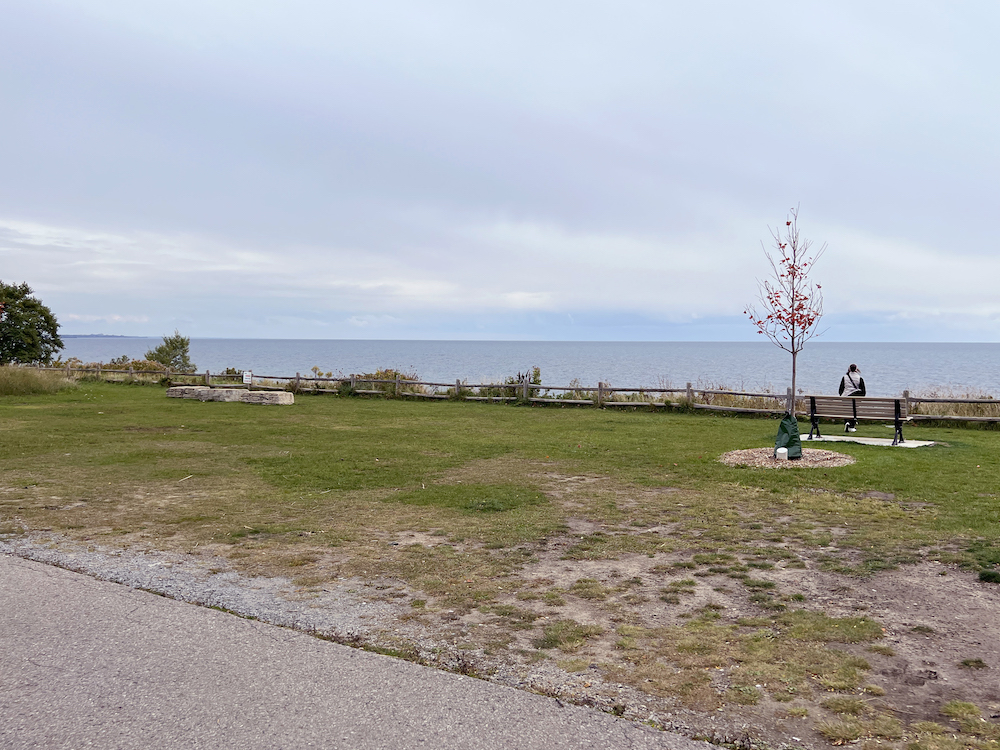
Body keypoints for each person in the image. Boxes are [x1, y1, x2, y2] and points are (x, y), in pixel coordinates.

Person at [838, 364, 866, 432]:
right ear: (856, 369)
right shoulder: (860, 378)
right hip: (855, 399)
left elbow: (840, 390)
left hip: (845, 398)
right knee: (854, 410)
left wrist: (843, 396)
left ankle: (847, 422)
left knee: (847, 410)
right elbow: (863, 392)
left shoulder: (844, 377)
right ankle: (851, 425)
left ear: (849, 369)